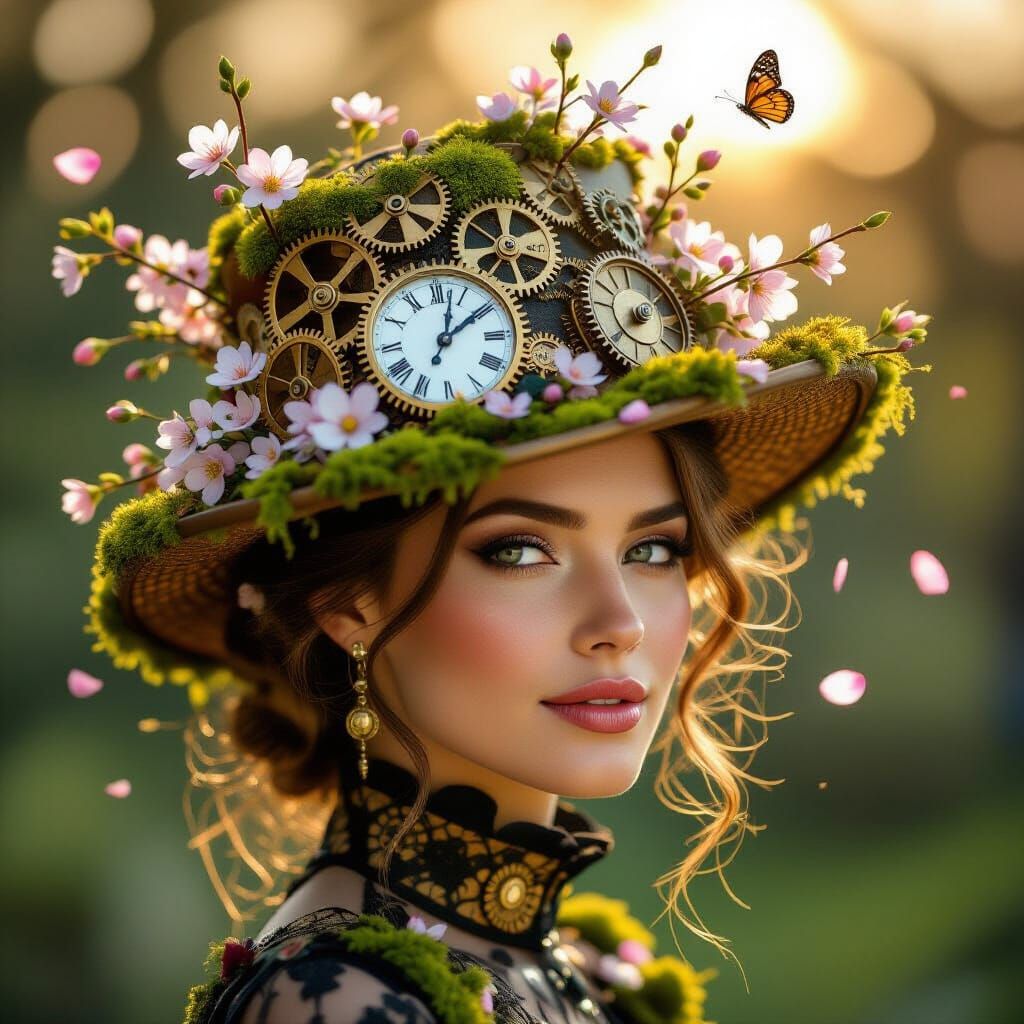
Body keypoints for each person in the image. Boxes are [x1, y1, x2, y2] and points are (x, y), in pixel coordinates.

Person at [54, 35, 928, 1024]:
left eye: (653, 550)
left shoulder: (588, 971)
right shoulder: (334, 1001)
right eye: (519, 550)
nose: (619, 623)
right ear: (349, 603)